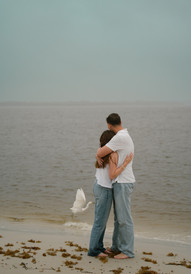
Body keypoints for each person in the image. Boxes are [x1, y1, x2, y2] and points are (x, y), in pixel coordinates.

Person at [96, 113, 135, 259]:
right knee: (119, 219)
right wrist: (98, 155)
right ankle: (116, 247)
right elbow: (102, 152)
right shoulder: (124, 136)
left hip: (123, 182)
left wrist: (98, 154)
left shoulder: (119, 137)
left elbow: (101, 151)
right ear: (121, 121)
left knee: (124, 219)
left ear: (109, 125)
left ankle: (128, 251)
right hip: (121, 181)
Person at [88, 130, 133, 257]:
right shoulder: (113, 155)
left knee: (99, 220)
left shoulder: (100, 151)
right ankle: (93, 250)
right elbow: (112, 175)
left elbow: (99, 155)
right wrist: (125, 163)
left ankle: (99, 247)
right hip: (105, 189)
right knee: (100, 222)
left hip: (98, 186)